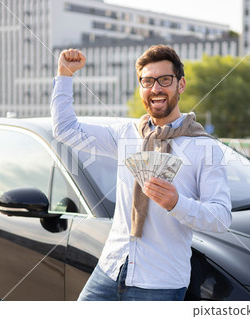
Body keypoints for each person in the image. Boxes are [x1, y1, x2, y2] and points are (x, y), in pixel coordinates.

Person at [50, 45, 232, 301]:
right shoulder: (125, 134)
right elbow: (65, 129)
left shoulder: (205, 147)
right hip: (110, 270)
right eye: (147, 81)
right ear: (141, 89)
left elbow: (222, 218)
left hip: (159, 283)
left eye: (164, 80)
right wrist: (65, 75)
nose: (155, 88)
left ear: (181, 85)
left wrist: (177, 204)